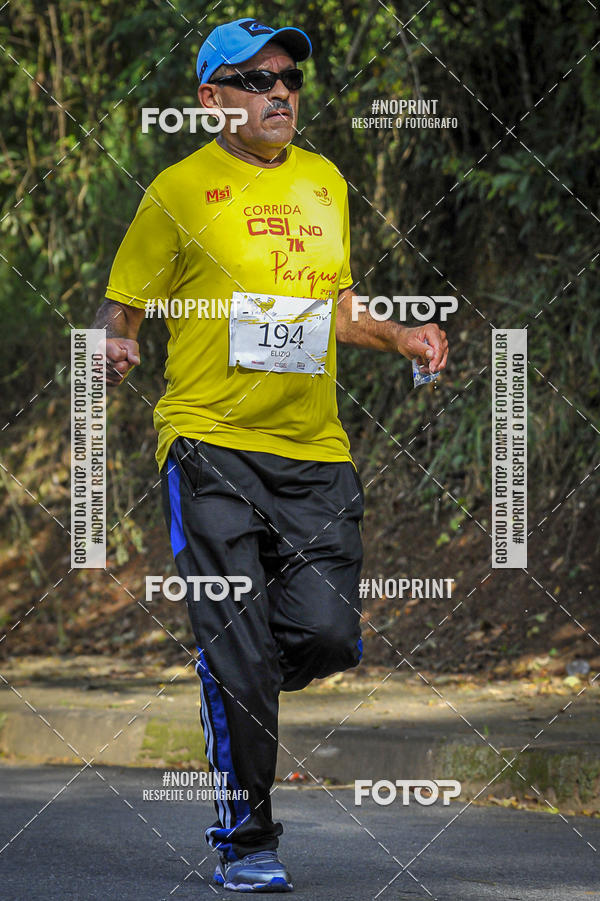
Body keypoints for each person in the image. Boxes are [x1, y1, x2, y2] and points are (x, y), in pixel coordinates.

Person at [93, 17, 448, 893]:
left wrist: (402, 334)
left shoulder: (327, 181)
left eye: (287, 77)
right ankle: (247, 845)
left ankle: (235, 678)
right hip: (209, 441)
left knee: (328, 634)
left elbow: (335, 308)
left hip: (314, 452)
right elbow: (122, 303)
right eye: (256, 79)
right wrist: (116, 344)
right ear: (212, 100)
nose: (279, 92)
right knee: (241, 651)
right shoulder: (177, 190)